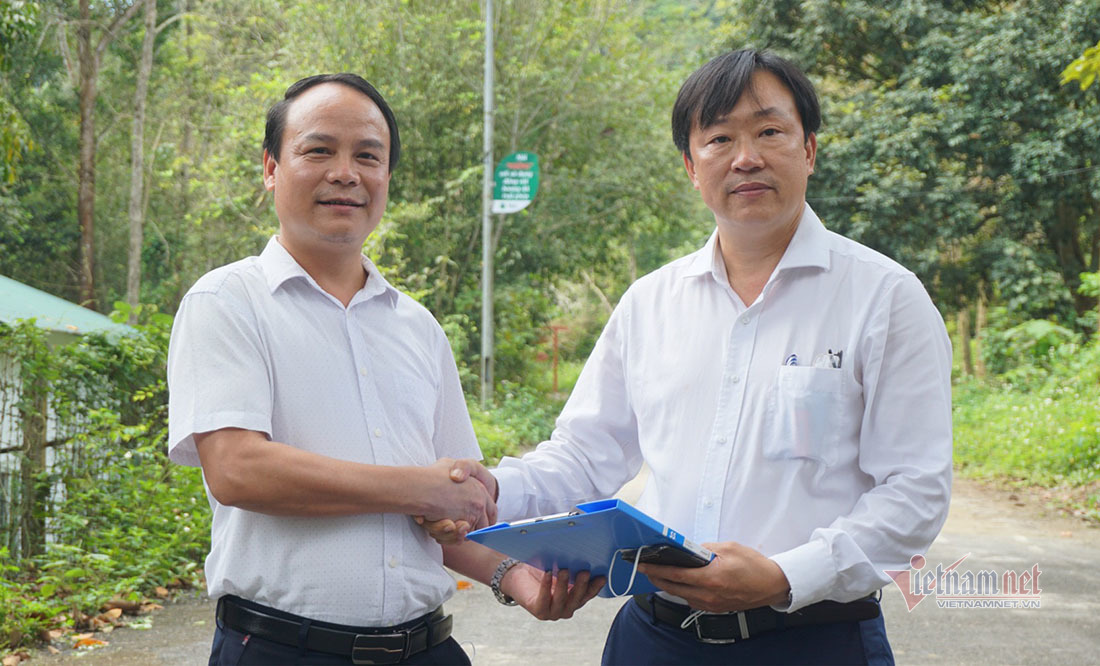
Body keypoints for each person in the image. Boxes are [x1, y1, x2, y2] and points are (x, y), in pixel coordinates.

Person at [429, 49, 953, 665]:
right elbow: (584, 456)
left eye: (769, 131)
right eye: (719, 139)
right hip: (651, 639)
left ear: (809, 149)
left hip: (814, 640)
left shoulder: (885, 297)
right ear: (690, 166)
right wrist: (493, 488)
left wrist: (785, 575)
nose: (746, 157)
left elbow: (915, 491)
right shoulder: (650, 303)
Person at [167, 73, 600, 666]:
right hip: (284, 650)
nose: (346, 172)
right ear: (271, 168)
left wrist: (516, 578)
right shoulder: (226, 302)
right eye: (319, 150)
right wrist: (414, 486)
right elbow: (238, 470)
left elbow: (451, 515)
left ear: (386, 178)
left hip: (428, 649)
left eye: (368, 156)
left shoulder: (417, 327)